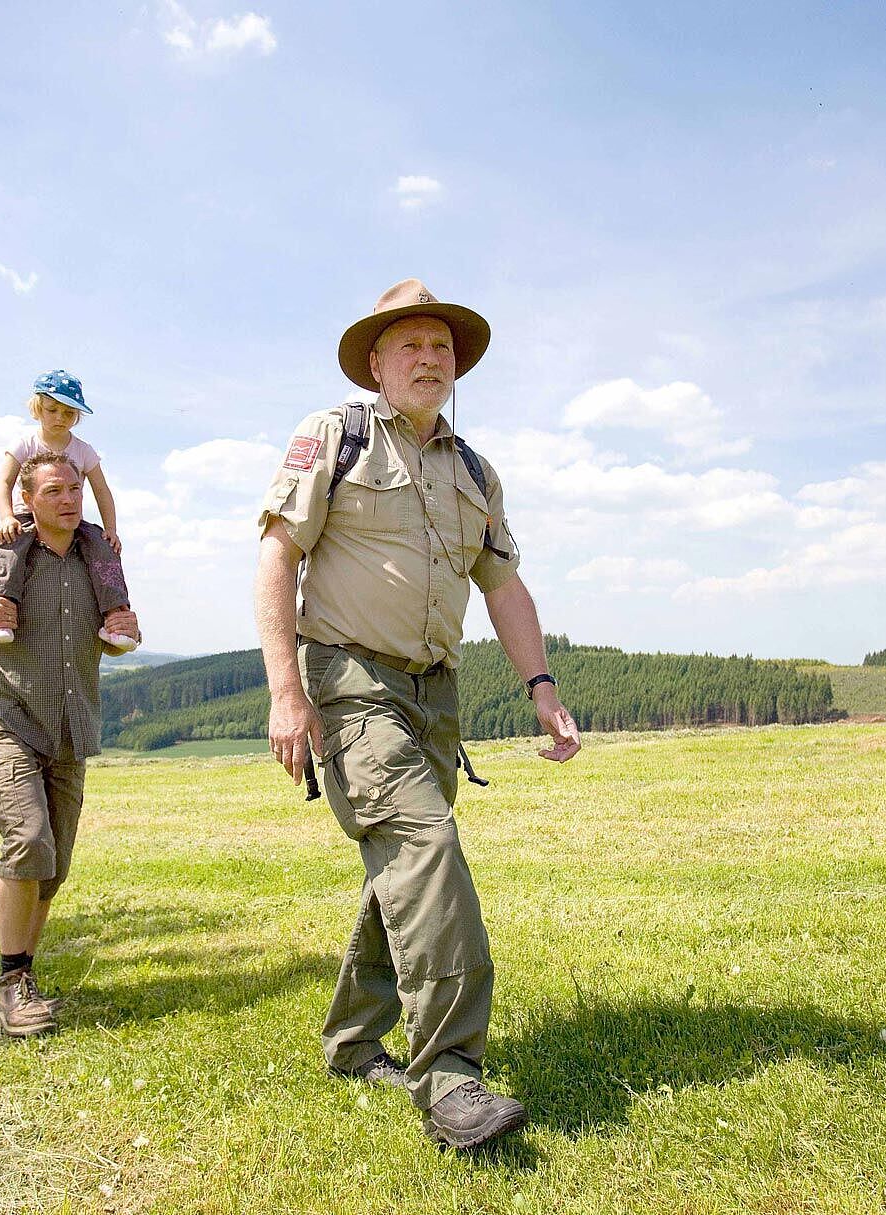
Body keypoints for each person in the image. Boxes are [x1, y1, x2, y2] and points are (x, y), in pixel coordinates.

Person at [253, 278, 582, 1152]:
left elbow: (503, 584)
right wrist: (287, 691)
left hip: (435, 695)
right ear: (376, 361)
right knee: (427, 850)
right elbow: (276, 555)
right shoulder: (336, 436)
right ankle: (450, 1079)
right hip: (350, 681)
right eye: (411, 345)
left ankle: (357, 1043)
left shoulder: (475, 470)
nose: (429, 357)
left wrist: (541, 686)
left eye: (442, 346)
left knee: (403, 866)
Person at [0, 451, 141, 1037]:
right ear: (26, 499)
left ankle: (25, 970)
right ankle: (12, 982)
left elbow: (111, 633)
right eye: (54, 491)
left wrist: (127, 631)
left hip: (72, 726)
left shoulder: (97, 567)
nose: (69, 499)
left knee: (52, 867)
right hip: (8, 719)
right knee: (27, 839)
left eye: (74, 488)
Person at [0, 370, 135, 650]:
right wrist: (6, 517)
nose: (59, 419)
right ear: (38, 408)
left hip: (69, 520)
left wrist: (111, 529)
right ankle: (2, 608)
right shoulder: (24, 443)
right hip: (26, 516)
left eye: (68, 413)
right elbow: (4, 482)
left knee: (103, 549)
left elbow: (102, 490)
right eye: (52, 410)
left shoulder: (83, 450)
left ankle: (116, 615)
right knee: (9, 549)